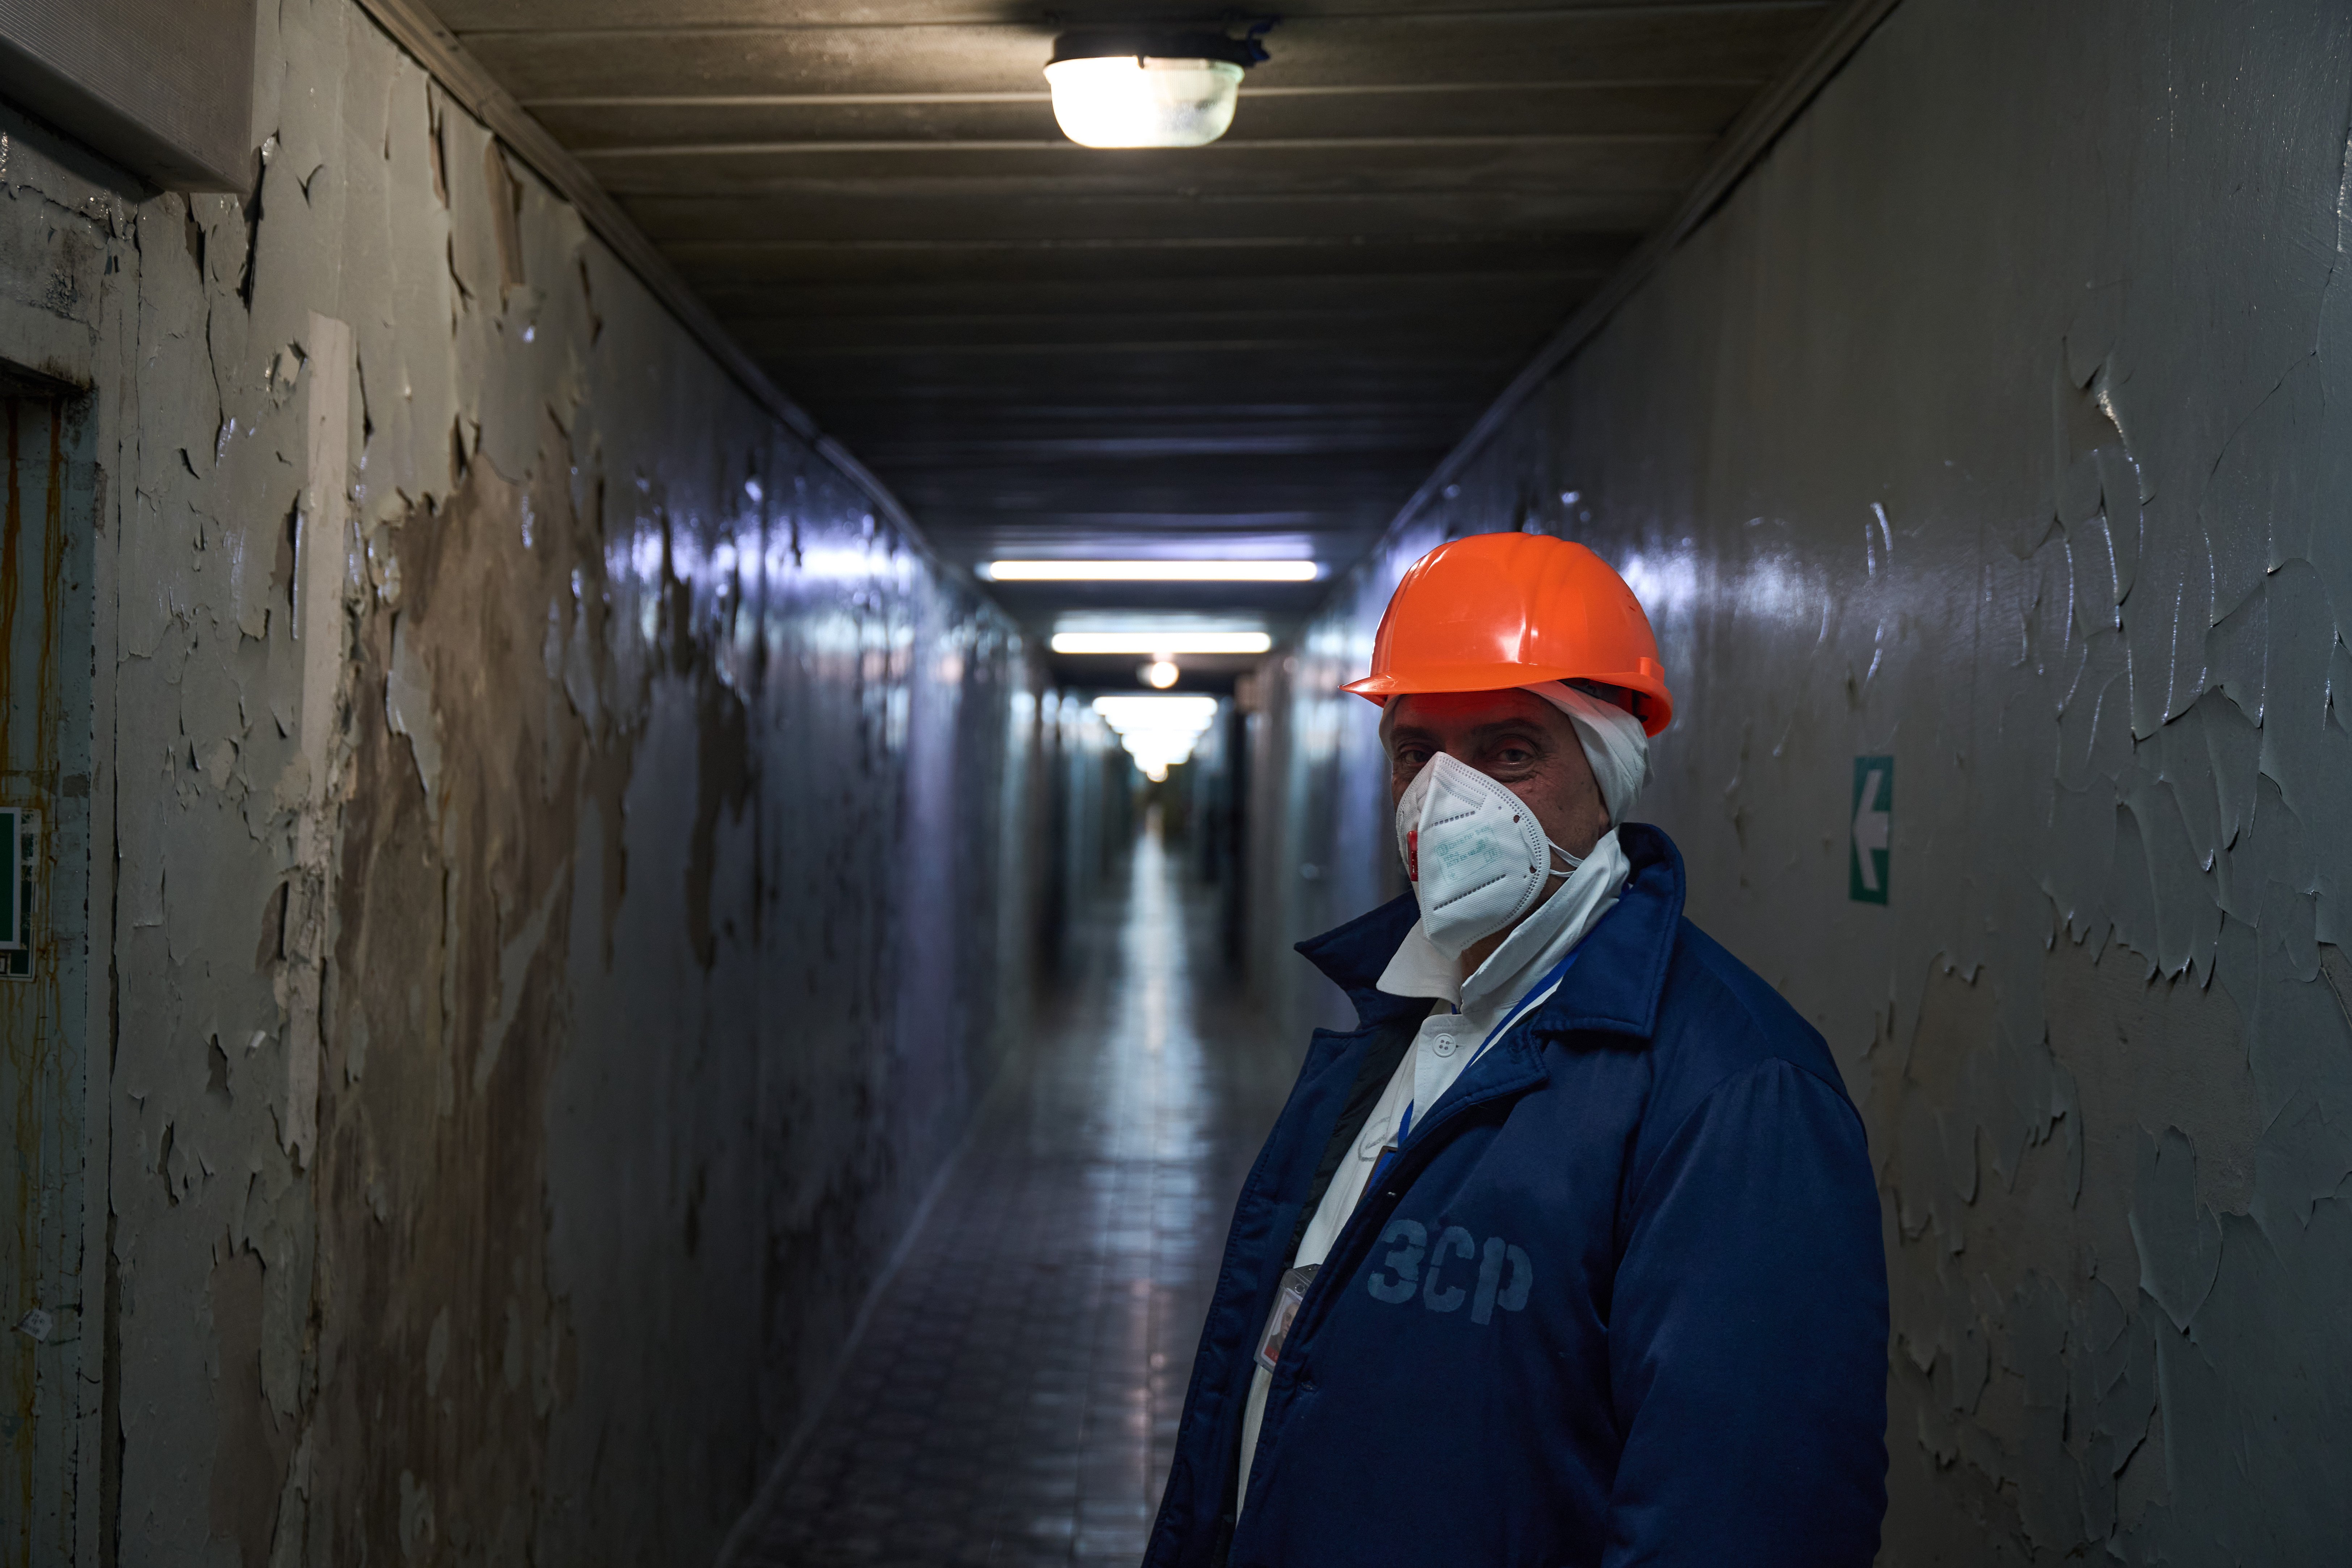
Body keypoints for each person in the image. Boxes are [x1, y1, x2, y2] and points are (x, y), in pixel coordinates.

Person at [1142, 532, 1888, 1567]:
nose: (1448, 801)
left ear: (1608, 772)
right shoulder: (1398, 1025)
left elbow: (1744, 1514)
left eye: (1509, 752)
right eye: (1417, 753)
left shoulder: (1739, 1093)